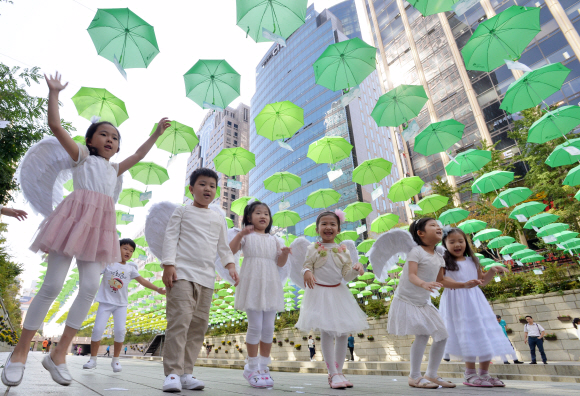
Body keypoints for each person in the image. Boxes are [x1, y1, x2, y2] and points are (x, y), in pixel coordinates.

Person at [1, 72, 170, 389]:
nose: (110, 140)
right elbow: (55, 126)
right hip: (71, 223)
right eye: (104, 134)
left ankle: (59, 354)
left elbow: (139, 155)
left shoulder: (115, 169)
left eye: (115, 137)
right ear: (90, 140)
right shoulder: (80, 157)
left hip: (101, 229)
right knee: (51, 285)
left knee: (91, 286)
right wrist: (54, 93)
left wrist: (156, 134)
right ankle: (20, 352)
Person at [160, 168, 237, 393]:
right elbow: (170, 237)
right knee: (179, 322)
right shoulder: (181, 212)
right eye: (202, 184)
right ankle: (172, 373)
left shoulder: (218, 217)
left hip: (207, 279)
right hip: (181, 274)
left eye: (212, 186)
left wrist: (231, 265)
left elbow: (223, 246)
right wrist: (168, 264)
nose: (208, 189)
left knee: (198, 327)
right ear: (191, 189)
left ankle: (186, 373)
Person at [295, 210, 367, 389]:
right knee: (326, 331)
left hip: (338, 293)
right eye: (324, 224)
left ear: (338, 228)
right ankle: (332, 373)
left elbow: (346, 276)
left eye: (332, 224)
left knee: (343, 333)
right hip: (320, 294)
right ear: (318, 228)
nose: (328, 227)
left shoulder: (343, 250)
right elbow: (305, 266)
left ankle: (340, 371)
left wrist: (356, 269)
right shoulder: (313, 248)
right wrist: (307, 272)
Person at [438, 227, 515, 388]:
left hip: (476, 301)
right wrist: (463, 284)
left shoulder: (473, 261)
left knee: (485, 333)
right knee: (468, 335)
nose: (457, 244)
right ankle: (470, 374)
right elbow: (442, 281)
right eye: (452, 242)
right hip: (457, 301)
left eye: (461, 241)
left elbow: (482, 282)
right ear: (444, 244)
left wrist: (493, 271)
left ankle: (484, 374)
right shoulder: (442, 261)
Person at [229, 201, 290, 388]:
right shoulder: (246, 236)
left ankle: (264, 367)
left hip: (270, 284)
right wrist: (241, 234)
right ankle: (252, 367)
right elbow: (230, 250)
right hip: (252, 283)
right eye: (258, 213)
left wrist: (286, 253)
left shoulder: (275, 240)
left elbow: (279, 263)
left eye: (266, 214)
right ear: (249, 217)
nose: (263, 216)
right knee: (255, 326)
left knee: (268, 328)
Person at [387, 218, 453, 389]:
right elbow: (412, 275)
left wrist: (464, 284)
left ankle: (431, 374)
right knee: (422, 334)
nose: (438, 227)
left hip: (424, 302)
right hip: (407, 299)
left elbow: (440, 280)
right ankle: (414, 377)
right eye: (433, 225)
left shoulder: (440, 255)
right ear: (420, 233)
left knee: (442, 335)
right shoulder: (416, 251)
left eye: (439, 225)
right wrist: (424, 284)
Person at [83, 238, 165, 373]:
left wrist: (158, 289)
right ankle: (92, 359)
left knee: (120, 331)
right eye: (125, 248)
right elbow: (94, 272)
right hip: (105, 303)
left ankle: (115, 360)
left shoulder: (130, 268)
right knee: (97, 330)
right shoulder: (108, 263)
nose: (128, 252)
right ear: (117, 248)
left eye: (131, 251)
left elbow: (143, 281)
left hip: (121, 305)